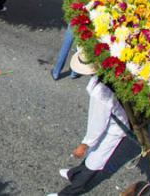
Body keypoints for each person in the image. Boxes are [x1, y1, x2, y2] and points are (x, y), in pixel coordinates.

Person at [49, 49, 128, 196]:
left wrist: (84, 144)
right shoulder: (104, 72)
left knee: (96, 159)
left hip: (116, 128)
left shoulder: (100, 93)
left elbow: (98, 125)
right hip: (112, 119)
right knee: (94, 153)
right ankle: (74, 173)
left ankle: (68, 193)